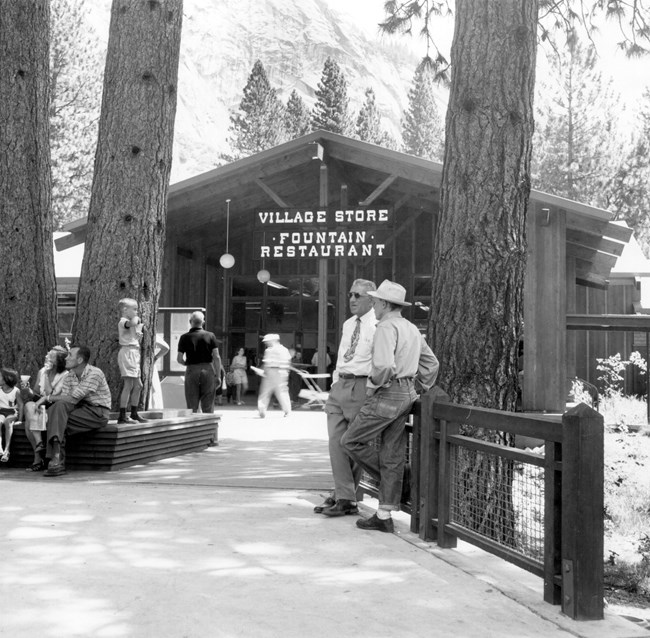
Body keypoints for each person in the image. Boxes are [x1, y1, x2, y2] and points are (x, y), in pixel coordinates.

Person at [341, 280, 439, 532]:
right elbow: (431, 363)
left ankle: (399, 479)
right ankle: (384, 515)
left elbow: (383, 366)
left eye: (375, 301)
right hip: (407, 394)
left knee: (351, 441)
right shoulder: (410, 328)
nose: (373, 303)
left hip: (387, 392)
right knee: (392, 452)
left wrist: (374, 385)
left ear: (384, 303)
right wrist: (419, 388)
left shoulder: (385, 326)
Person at [315, 279, 377, 517]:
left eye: (358, 296)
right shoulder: (349, 324)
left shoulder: (379, 325)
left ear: (371, 299)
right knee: (336, 442)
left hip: (361, 385)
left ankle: (344, 496)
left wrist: (370, 387)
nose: (352, 299)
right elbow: (342, 355)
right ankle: (344, 495)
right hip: (340, 385)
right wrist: (334, 383)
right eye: (350, 294)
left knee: (353, 443)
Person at [37, 346, 112, 477]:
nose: (66, 358)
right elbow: (65, 402)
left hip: (97, 412)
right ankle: (56, 458)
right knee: (58, 409)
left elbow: (72, 398)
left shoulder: (95, 373)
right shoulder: (70, 376)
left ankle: (55, 458)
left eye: (69, 355)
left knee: (57, 418)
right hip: (79, 409)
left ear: (79, 359)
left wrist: (47, 397)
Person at [21, 346, 68, 471]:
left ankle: (37, 459)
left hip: (53, 405)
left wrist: (47, 375)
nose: (46, 357)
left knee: (29, 423)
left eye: (50, 356)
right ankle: (39, 443)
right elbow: (36, 391)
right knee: (28, 406)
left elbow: (51, 394)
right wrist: (27, 388)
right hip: (39, 404)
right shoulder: (42, 371)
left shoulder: (65, 375)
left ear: (57, 361)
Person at [176, 310, 224, 413]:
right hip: (207, 370)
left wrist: (186, 363)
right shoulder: (211, 336)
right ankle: (208, 428)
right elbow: (217, 357)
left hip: (191, 370)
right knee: (208, 404)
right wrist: (218, 376)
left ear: (190, 322)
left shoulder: (184, 337)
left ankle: (193, 426)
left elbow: (179, 359)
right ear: (203, 322)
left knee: (192, 405)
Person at [116, 298, 146, 424]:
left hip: (134, 352)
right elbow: (133, 322)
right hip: (128, 353)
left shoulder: (129, 322)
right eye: (134, 309)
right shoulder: (123, 321)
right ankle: (122, 415)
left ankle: (134, 413)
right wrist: (138, 318)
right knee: (128, 384)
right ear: (124, 310)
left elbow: (133, 329)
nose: (136, 312)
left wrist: (137, 335)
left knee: (138, 385)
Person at [257, 334, 291, 418]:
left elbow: (267, 363)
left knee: (269, 392)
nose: (266, 343)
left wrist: (264, 372)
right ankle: (286, 410)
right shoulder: (282, 350)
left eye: (267, 341)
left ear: (274, 340)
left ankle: (262, 410)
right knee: (280, 392)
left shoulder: (272, 350)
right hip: (277, 372)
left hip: (276, 371)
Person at [0, 368, 22, 463]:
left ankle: (7, 450)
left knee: (8, 422)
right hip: (1, 412)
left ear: (6, 379)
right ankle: (0, 448)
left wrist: (20, 418)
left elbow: (21, 405)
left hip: (12, 412)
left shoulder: (16, 391)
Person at [149, 334, 170, 410]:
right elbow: (166, 348)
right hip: (150, 364)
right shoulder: (151, 333)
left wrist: (155, 357)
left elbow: (166, 348)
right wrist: (155, 357)